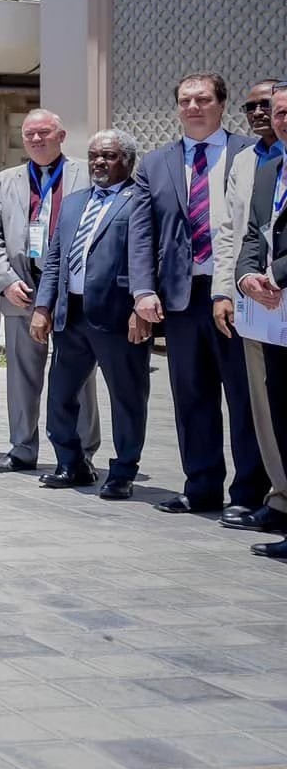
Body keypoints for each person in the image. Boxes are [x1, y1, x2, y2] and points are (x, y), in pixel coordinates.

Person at [134, 73, 264, 517]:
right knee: (191, 395)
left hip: (237, 293)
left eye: (203, 99)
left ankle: (249, 493)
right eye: (185, 100)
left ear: (221, 104)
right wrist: (142, 291)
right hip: (181, 295)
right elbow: (142, 233)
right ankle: (201, 486)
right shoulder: (155, 163)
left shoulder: (252, 152)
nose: (193, 107)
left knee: (244, 396)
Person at [33, 130, 156, 499]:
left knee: (127, 397)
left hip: (118, 316)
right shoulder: (73, 203)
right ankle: (71, 463)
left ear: (128, 161)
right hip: (71, 315)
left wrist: (141, 305)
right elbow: (54, 259)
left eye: (110, 156)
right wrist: (43, 307)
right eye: (94, 156)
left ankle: (123, 471)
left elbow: (149, 256)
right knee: (60, 394)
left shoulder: (140, 201)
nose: (99, 162)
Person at [0, 110, 99, 473]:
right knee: (21, 375)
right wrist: (6, 280)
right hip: (22, 288)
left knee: (78, 377)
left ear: (61, 135)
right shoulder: (3, 180)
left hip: (69, 291)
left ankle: (82, 453)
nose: (36, 139)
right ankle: (22, 447)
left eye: (44, 133)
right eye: (29, 134)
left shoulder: (87, 173)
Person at [222, 82, 287, 539]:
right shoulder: (269, 167)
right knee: (278, 410)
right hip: (266, 309)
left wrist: (276, 275)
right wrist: (246, 278)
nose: (280, 118)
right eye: (277, 112)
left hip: (278, 290)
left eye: (282, 109)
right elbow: (250, 233)